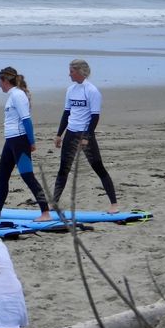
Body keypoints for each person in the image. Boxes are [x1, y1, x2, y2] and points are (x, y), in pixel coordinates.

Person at [52, 59, 119, 213]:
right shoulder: (70, 89)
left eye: (72, 71)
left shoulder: (92, 91)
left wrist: (87, 137)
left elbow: (95, 116)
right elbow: (67, 112)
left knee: (98, 167)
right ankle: (53, 203)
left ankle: (114, 204)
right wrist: (58, 134)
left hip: (84, 134)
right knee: (63, 169)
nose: (69, 74)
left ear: (80, 71)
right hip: (70, 133)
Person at [0, 67, 51, 221]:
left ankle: (45, 212)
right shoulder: (12, 95)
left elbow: (26, 120)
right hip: (10, 141)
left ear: (5, 80)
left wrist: (31, 142)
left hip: (20, 140)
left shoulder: (18, 95)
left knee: (28, 176)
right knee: (2, 176)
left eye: (0, 82)